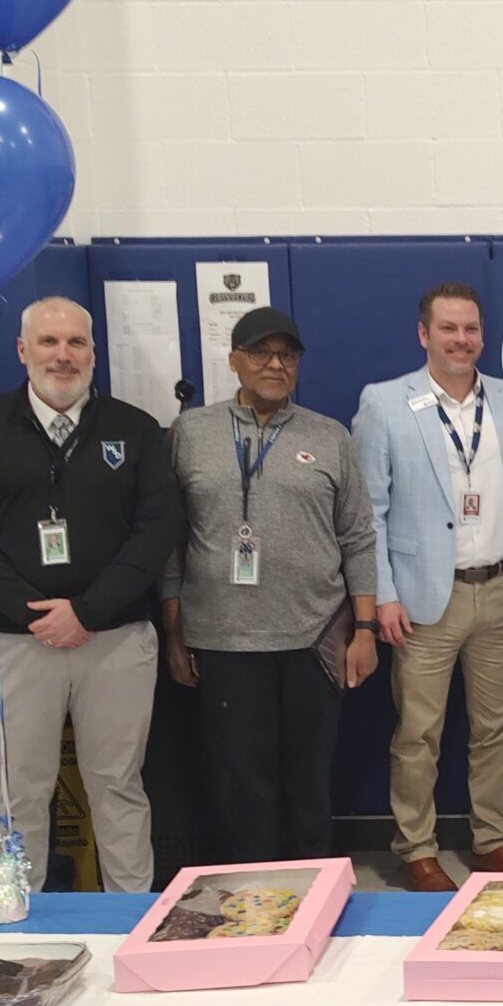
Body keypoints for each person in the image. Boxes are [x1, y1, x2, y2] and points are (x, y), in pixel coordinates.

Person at [0, 296, 181, 893]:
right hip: (18, 641)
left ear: (94, 353)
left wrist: (88, 611)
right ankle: (16, 918)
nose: (63, 355)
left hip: (115, 637)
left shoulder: (135, 429)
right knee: (19, 792)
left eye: (75, 343)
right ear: (22, 351)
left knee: (118, 785)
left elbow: (158, 531)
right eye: (48, 342)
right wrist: (33, 612)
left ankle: (130, 919)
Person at [162, 307, 378, 865]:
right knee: (242, 781)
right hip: (224, 638)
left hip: (314, 637)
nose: (275, 364)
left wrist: (366, 628)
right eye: (261, 353)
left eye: (287, 355)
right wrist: (174, 632)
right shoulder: (190, 433)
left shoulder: (329, 436)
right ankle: (252, 892)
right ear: (234, 361)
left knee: (309, 779)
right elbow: (169, 539)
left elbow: (358, 536)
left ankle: (316, 890)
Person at [353, 282, 503, 889]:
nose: (462, 340)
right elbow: (368, 513)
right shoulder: (384, 404)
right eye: (448, 329)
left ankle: (493, 838)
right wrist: (382, 593)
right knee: (418, 732)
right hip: (422, 597)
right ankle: (416, 847)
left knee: (497, 729)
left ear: (482, 336)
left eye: (470, 330)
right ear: (423, 334)